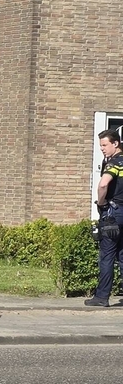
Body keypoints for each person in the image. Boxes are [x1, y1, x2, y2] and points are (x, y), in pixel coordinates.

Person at [85, 129, 123, 307]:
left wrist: (101, 204)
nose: (102, 149)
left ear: (115, 143)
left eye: (104, 145)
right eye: (100, 145)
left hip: (112, 214)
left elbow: (103, 185)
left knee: (107, 256)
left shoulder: (114, 163)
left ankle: (101, 297)